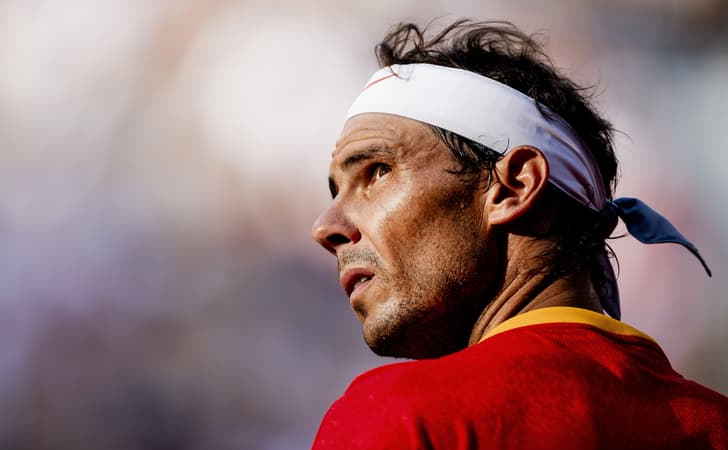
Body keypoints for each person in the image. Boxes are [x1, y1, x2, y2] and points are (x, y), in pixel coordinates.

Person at [310, 20, 728, 449]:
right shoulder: (714, 421)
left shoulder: (405, 414)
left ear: (514, 187)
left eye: (378, 172)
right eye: (336, 191)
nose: (325, 227)